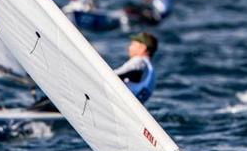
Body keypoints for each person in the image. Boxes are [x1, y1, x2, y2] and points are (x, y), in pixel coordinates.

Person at [29, 32, 158, 111]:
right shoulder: (151, 70)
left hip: (109, 104)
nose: (129, 47)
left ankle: (31, 111)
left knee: (62, 92)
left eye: (132, 44)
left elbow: (112, 77)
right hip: (121, 107)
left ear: (142, 48)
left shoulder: (138, 62)